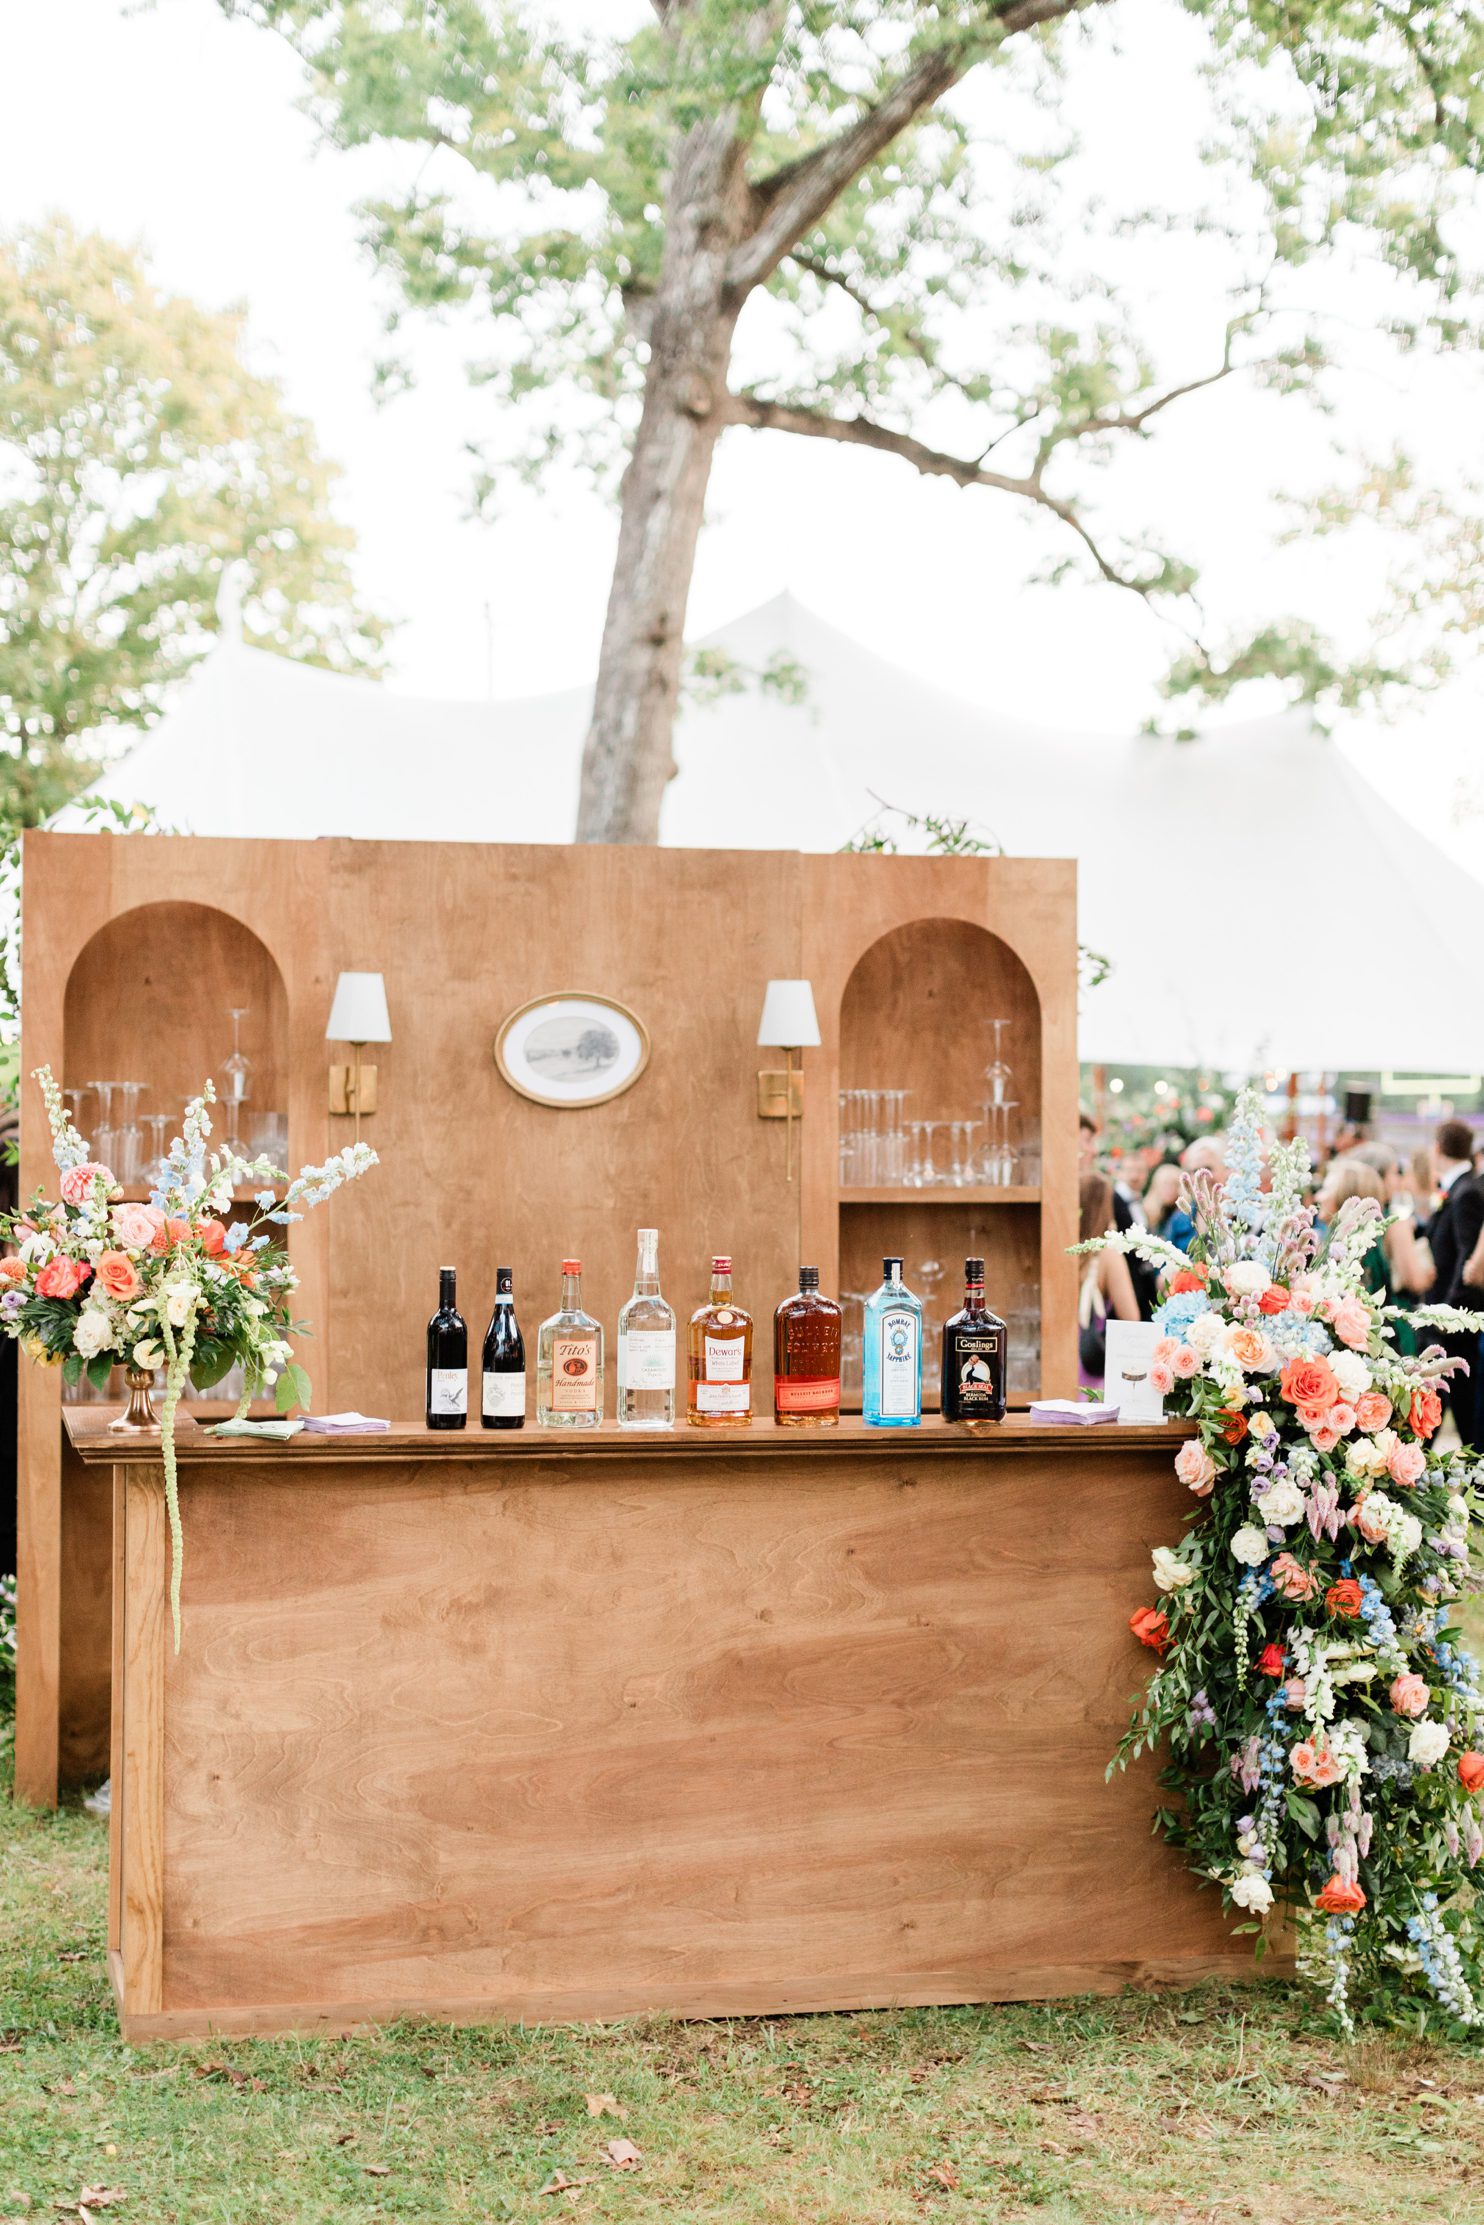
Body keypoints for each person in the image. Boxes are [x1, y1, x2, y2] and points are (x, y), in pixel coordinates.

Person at [1427, 1118, 1484, 1448]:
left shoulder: (1466, 1193)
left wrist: (1448, 1315)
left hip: (1454, 1327)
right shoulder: (1462, 1186)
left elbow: (1466, 1259)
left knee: (1460, 1407)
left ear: (1437, 1148)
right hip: (1449, 1321)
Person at [1077, 1172, 1139, 1392]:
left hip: (1051, 1358)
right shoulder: (1107, 1255)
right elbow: (1131, 1318)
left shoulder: (1060, 1246)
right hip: (1088, 1363)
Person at [1167, 1135, 1228, 1254]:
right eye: (1195, 1171)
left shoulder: (1239, 1214)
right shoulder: (1179, 1220)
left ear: (1225, 1169)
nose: (1201, 1177)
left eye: (1207, 1168)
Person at [1141, 1162, 1183, 1243]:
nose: (1170, 1189)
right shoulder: (1146, 1210)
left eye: (1174, 1184)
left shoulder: (1183, 1215)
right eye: (1165, 1184)